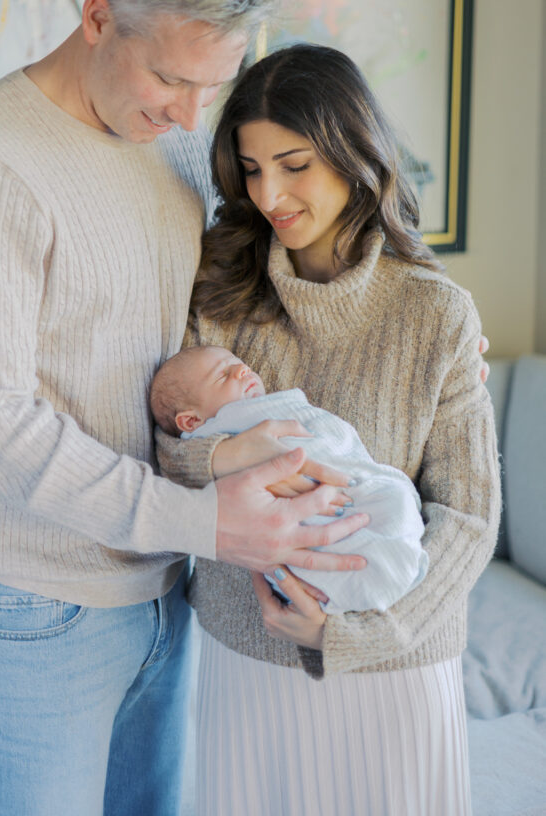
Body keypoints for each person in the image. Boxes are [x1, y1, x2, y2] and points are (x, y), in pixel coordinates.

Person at [0, 0, 373, 816]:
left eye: (212, 86)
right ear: (97, 17)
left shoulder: (176, 149)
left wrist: (426, 321)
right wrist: (206, 524)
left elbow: (264, 292)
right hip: (29, 607)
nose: (192, 115)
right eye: (168, 78)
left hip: (162, 585)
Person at [156, 43, 501, 816]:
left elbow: (470, 514)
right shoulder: (217, 292)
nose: (269, 192)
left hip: (393, 663)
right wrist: (229, 453)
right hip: (245, 652)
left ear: (352, 152)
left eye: (293, 162)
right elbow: (164, 449)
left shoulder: (435, 312)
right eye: (249, 168)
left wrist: (366, 632)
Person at [150, 344, 429, 614]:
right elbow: (169, 457)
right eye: (223, 374)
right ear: (191, 423)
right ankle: (385, 569)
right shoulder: (212, 429)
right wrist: (222, 455)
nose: (242, 370)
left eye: (239, 363)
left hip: (350, 498)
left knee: (389, 502)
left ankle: (392, 561)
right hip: (266, 581)